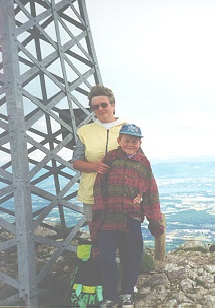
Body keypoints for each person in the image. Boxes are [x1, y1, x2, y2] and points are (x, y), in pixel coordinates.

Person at [90, 123, 164, 308]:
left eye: (134, 141)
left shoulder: (143, 163)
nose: (130, 144)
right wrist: (99, 208)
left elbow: (151, 191)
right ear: (119, 140)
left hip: (131, 218)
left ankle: (127, 293)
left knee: (131, 256)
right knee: (106, 257)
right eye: (126, 140)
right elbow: (99, 183)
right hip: (109, 217)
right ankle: (109, 296)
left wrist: (154, 220)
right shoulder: (111, 158)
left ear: (140, 143)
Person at [72, 85, 127, 223]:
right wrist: (95, 167)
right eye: (96, 107)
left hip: (122, 192)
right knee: (96, 235)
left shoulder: (127, 128)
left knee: (124, 236)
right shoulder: (84, 132)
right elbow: (76, 162)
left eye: (104, 104)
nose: (100, 109)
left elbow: (139, 160)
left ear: (113, 105)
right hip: (92, 194)